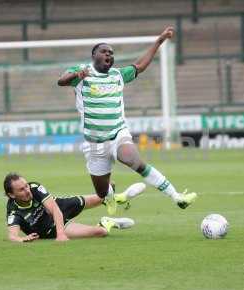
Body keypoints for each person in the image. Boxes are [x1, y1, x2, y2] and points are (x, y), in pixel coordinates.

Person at [57, 27, 197, 214]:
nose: (109, 54)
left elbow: (140, 66)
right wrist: (77, 75)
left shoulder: (118, 75)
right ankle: (112, 195)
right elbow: (61, 81)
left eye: (111, 53)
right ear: (94, 55)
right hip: (94, 144)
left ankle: (176, 196)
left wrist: (159, 41)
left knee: (134, 161)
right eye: (104, 51)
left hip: (117, 134)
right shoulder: (82, 72)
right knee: (100, 192)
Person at [3, 173, 146, 242]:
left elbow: (54, 208)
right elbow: (12, 235)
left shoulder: (35, 188)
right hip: (50, 228)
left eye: (26, 185)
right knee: (100, 233)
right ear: (11, 194)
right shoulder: (14, 212)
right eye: (21, 189)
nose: (27, 190)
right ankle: (106, 222)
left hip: (59, 207)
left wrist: (61, 235)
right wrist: (22, 239)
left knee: (99, 198)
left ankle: (118, 198)